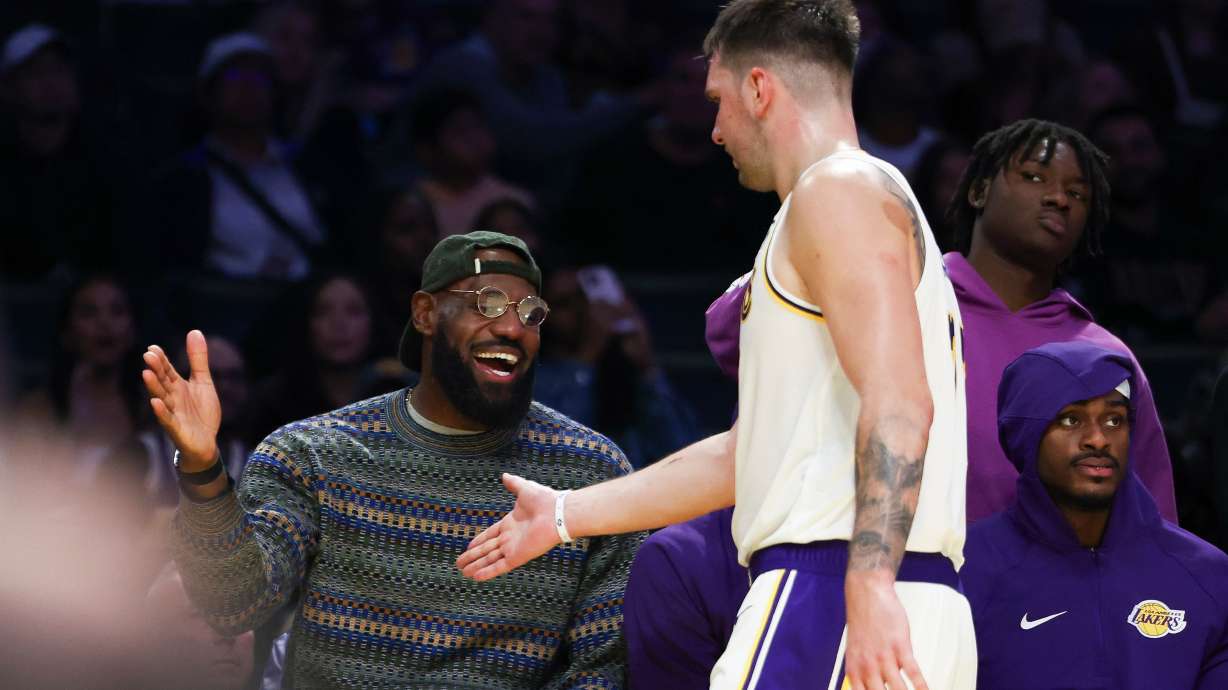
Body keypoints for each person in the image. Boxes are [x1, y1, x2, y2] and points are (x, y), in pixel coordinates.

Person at [457, 2, 975, 688]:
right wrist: (563, 514)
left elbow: (900, 398)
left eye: (718, 100)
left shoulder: (837, 190)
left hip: (833, 592)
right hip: (897, 597)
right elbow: (750, 452)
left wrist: (870, 584)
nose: (715, 129)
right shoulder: (855, 202)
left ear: (760, 89)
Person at [142, 231, 643, 688]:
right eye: (488, 304)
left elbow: (602, 667)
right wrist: (203, 466)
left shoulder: (591, 472)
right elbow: (233, 603)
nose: (514, 327)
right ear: (425, 313)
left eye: (531, 312)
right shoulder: (315, 455)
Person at [944, 118, 1178, 522]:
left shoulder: (1104, 355)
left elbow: (1152, 520)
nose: (1059, 199)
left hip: (1068, 583)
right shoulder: (909, 309)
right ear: (980, 190)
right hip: (913, 579)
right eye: (1035, 177)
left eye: (1076, 193)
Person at [963, 340, 1228, 689]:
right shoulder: (966, 572)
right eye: (1071, 419)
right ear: (1026, 436)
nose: (1098, 439)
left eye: (1114, 420)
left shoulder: (1207, 576)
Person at [154, 32, 326, 282]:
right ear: (208, 93)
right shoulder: (182, 178)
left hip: (309, 305)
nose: (249, 86)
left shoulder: (308, 166)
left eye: (260, 77)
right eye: (234, 76)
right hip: (222, 306)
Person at [534, 265, 699, 468]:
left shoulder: (622, 376)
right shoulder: (533, 377)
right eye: (565, 303)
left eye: (584, 299)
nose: (583, 313)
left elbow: (683, 448)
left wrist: (647, 367)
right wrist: (586, 357)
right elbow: (559, 449)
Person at [411, 88, 536, 237]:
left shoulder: (516, 201)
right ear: (427, 149)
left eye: (478, 126)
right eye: (460, 132)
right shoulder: (412, 204)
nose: (474, 139)